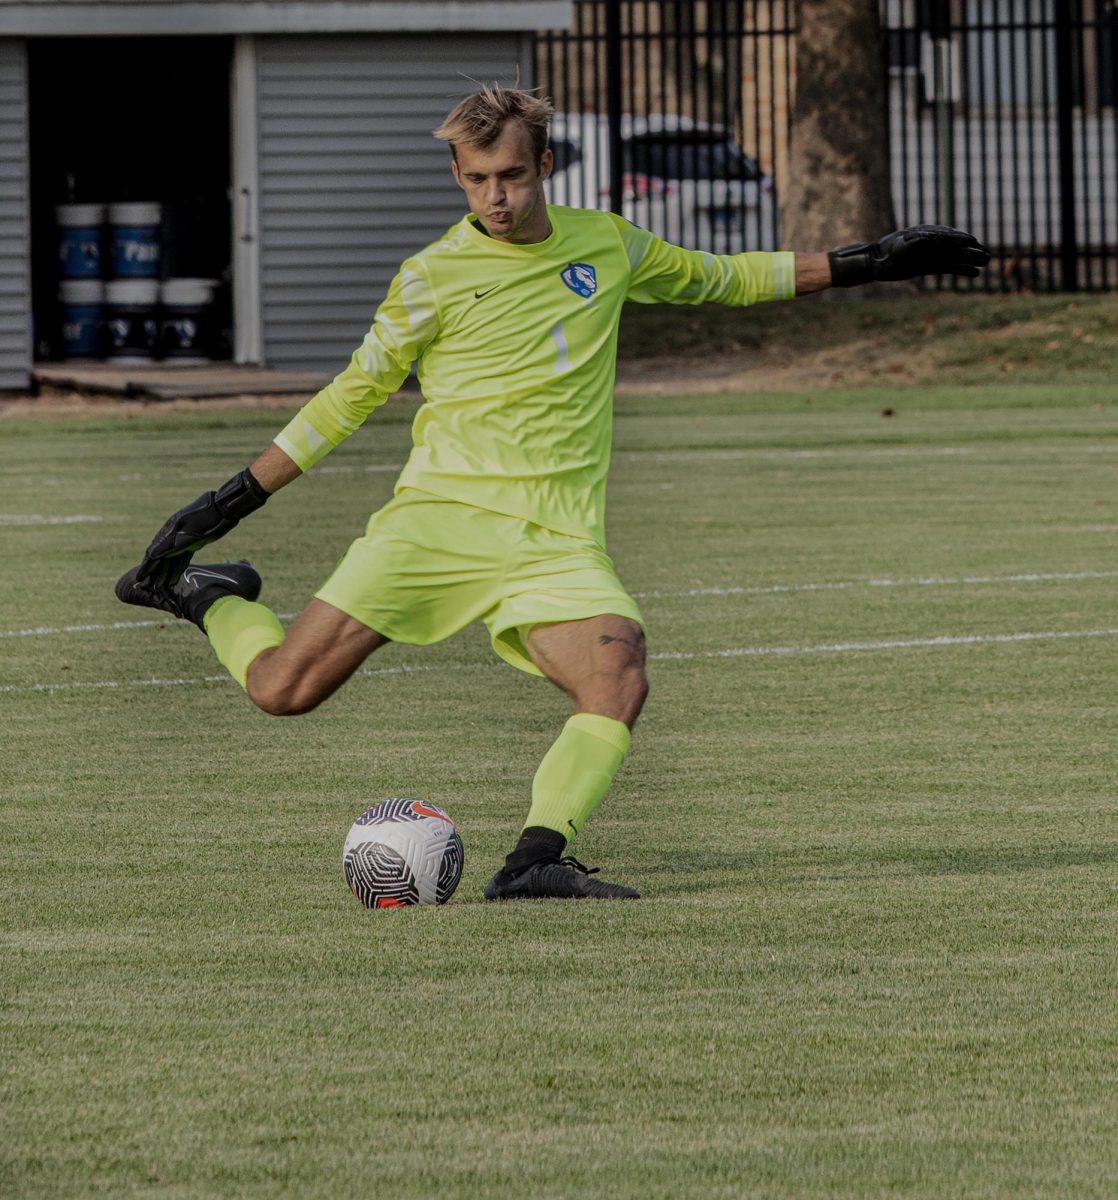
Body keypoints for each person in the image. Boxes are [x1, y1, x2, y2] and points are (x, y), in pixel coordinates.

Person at [116, 85, 989, 901]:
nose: (497, 197)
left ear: (544, 168)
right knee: (281, 690)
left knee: (617, 677)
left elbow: (721, 278)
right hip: (437, 524)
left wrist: (867, 262)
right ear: (457, 177)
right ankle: (211, 597)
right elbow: (351, 395)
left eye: (513, 176)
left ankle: (536, 860)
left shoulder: (605, 244)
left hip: (555, 541)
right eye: (479, 181)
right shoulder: (430, 277)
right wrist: (228, 502)